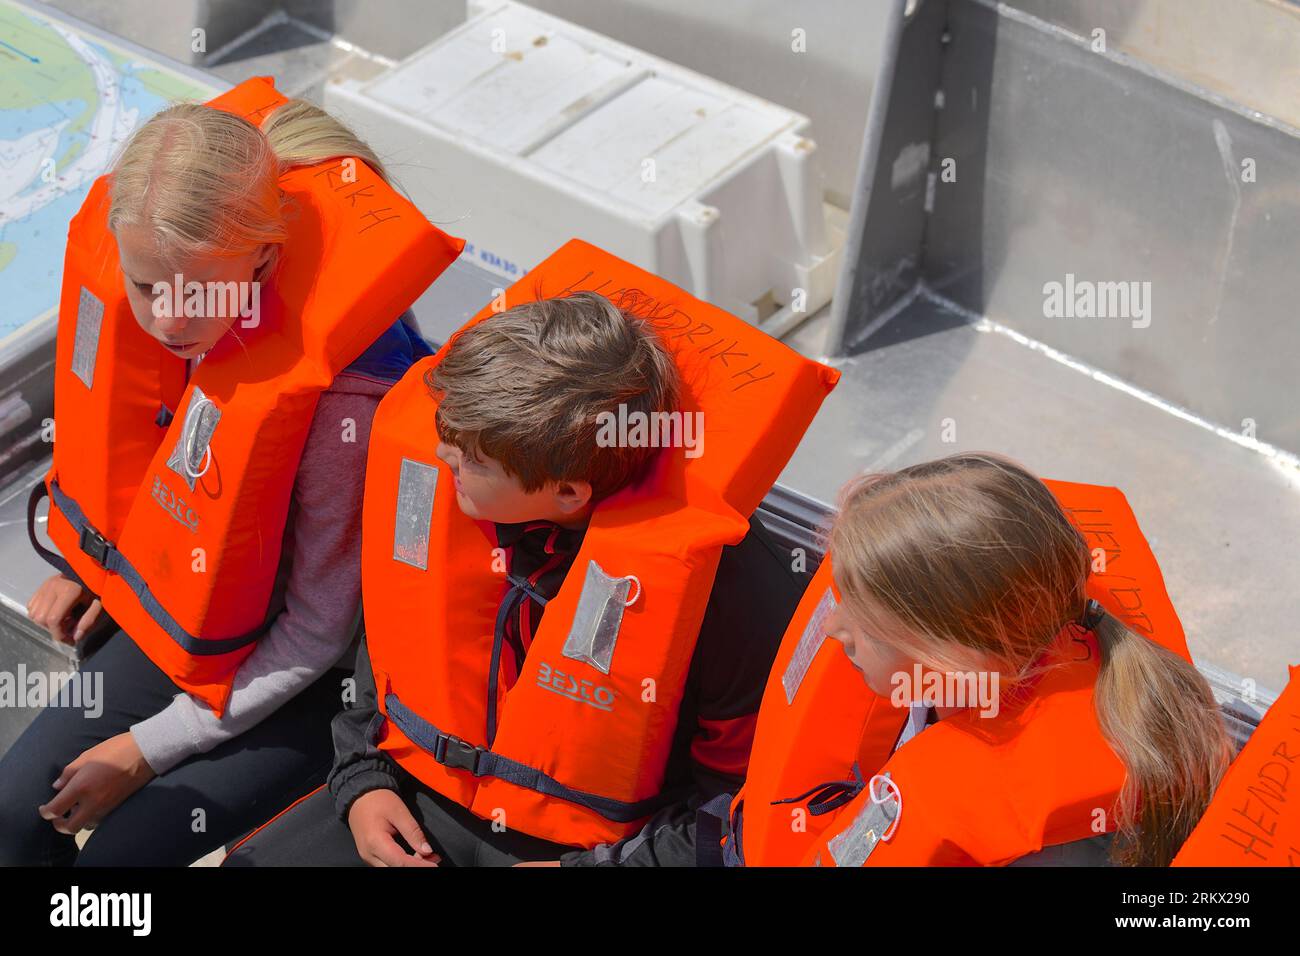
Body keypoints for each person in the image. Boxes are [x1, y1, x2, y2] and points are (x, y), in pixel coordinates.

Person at [223, 239, 839, 866]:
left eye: (472, 459)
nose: (442, 460)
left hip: (602, 849)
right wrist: (360, 778)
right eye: (447, 436)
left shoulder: (732, 591)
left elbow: (736, 811)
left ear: (568, 492)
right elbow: (391, 636)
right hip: (411, 782)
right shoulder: (455, 493)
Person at [0, 76, 460, 866]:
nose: (171, 319)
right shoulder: (170, 307)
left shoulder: (344, 401)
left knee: (118, 867)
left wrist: (146, 748)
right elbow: (148, 462)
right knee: (13, 812)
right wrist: (100, 558)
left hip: (315, 675)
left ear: (264, 262)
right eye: (147, 288)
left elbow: (319, 635)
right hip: (195, 615)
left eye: (199, 288)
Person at [711, 454, 1232, 866]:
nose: (830, 628)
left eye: (864, 626)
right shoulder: (990, 653)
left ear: (947, 663)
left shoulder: (1047, 845)